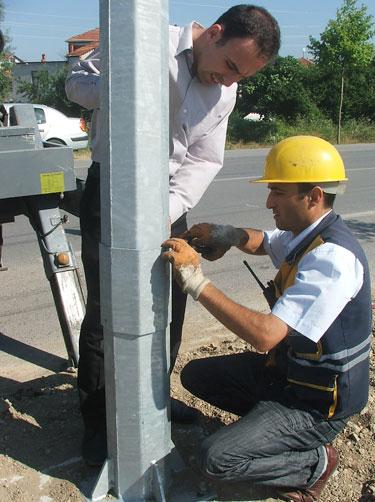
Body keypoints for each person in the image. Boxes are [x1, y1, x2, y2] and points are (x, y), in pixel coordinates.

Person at [65, 4, 280, 466]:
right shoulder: (144, 39)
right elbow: (75, 85)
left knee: (171, 308)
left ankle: (153, 406)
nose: (228, 81)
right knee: (108, 311)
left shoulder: (225, 93)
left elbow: (204, 159)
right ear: (214, 34)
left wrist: (166, 210)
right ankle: (100, 427)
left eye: (240, 76)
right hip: (114, 188)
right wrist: (122, 86)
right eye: (228, 66)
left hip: (168, 204)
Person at [162, 135, 371, 501]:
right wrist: (225, 234)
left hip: (317, 405)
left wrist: (195, 280)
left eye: (278, 192)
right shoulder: (307, 234)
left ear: (314, 196)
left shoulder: (332, 260)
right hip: (289, 376)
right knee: (196, 375)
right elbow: (263, 242)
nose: (268, 202)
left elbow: (265, 336)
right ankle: (266, 431)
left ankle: (313, 462)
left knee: (215, 459)